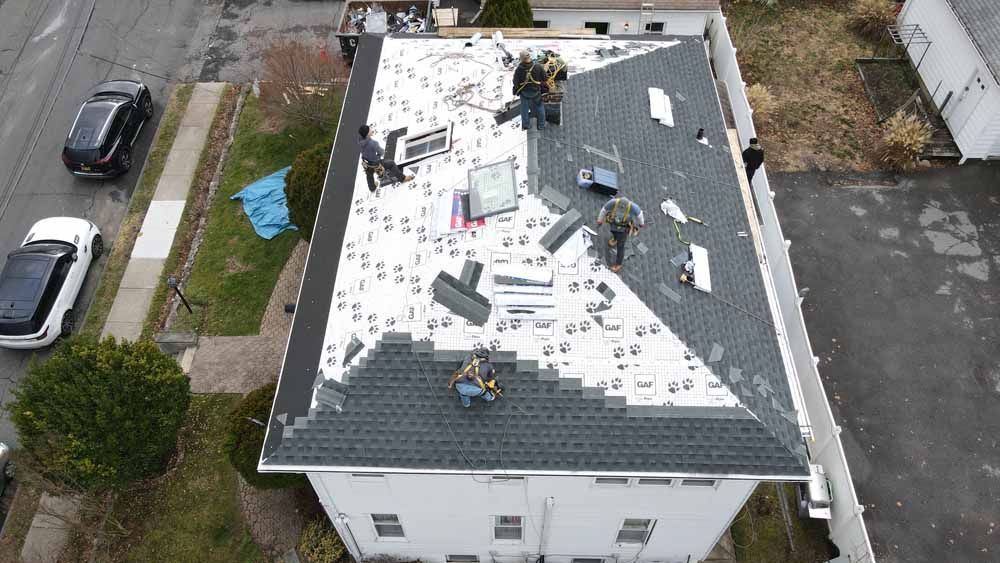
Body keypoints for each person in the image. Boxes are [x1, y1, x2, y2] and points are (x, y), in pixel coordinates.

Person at [596, 196, 645, 273]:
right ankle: (615, 239)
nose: (621, 209)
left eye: (623, 208)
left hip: (623, 228)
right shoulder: (613, 202)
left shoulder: (633, 207)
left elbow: (640, 215)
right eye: (620, 207)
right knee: (614, 233)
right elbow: (604, 210)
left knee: (620, 246)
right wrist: (600, 220)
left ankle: (618, 264)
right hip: (614, 224)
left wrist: (641, 224)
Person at [358, 125, 414, 192]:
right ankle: (403, 178)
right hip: (374, 162)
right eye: (370, 130)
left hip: (365, 162)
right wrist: (377, 157)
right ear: (367, 134)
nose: (371, 130)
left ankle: (372, 188)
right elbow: (381, 152)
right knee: (391, 163)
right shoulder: (373, 143)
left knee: (369, 174)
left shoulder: (360, 140)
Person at [512, 51, 547, 131]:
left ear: (521, 59)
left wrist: (517, 89)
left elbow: (515, 82)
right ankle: (541, 125)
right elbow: (545, 78)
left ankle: (526, 125)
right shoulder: (538, 66)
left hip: (524, 93)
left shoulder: (519, 69)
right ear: (529, 57)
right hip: (536, 92)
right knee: (540, 107)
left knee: (524, 109)